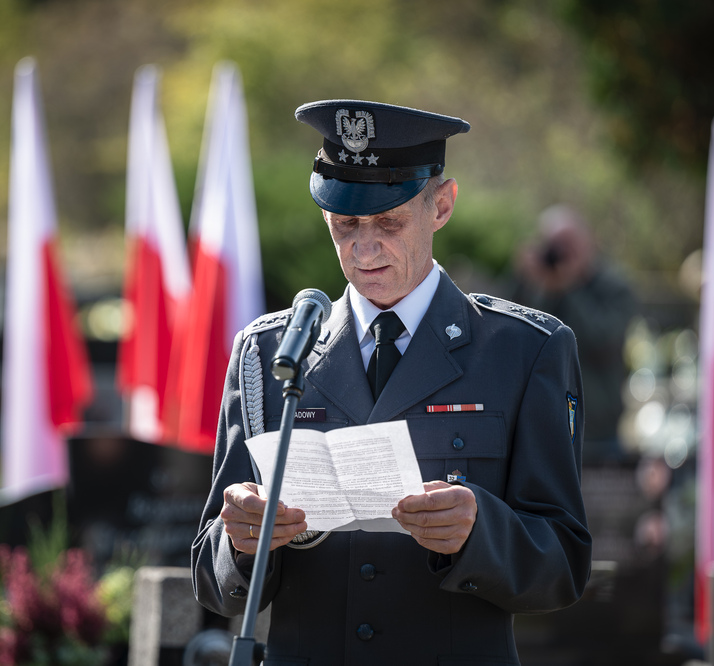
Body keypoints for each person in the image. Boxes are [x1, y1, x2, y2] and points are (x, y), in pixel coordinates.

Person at [191, 100, 591, 665]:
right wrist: (239, 541)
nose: (364, 247)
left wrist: (480, 531)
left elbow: (564, 565)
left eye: (389, 222)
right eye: (345, 223)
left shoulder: (524, 350)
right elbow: (211, 580)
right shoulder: (269, 354)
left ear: (441, 205)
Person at [510, 204, 637, 464]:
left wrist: (569, 287)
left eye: (568, 244)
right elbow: (513, 334)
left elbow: (603, 340)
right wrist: (526, 281)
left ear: (588, 242)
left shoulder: (614, 287)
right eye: (554, 245)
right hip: (541, 426)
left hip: (597, 431)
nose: (562, 253)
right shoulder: (538, 284)